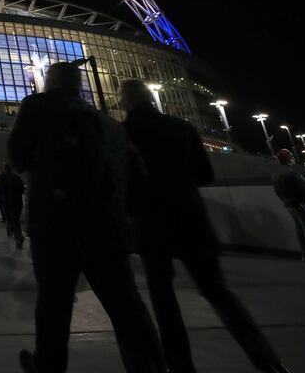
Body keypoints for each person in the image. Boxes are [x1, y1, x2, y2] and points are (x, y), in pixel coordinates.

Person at [120, 79, 290, 373]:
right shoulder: (181, 127)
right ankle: (267, 361)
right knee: (218, 291)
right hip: (190, 218)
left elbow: (121, 181)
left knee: (163, 300)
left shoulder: (123, 133)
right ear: (150, 97)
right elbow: (203, 173)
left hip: (150, 223)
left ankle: (181, 365)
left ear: (125, 101)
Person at [8, 62, 164, 373]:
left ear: (48, 82)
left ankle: (48, 366)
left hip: (55, 225)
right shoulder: (106, 121)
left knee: (54, 303)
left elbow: (17, 156)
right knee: (125, 305)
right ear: (80, 86)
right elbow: (136, 178)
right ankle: (150, 365)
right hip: (107, 227)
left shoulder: (37, 105)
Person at [274, 149, 305, 262]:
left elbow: (277, 191)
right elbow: (304, 190)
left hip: (289, 205)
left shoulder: (276, 175)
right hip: (300, 203)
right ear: (289, 159)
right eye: (292, 157)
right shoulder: (293, 172)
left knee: (298, 228)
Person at [0, 163, 26, 249]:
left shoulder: (2, 178)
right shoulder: (16, 177)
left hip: (8, 204)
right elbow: (22, 190)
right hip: (18, 204)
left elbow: (0, 190)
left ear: (5, 169)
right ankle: (19, 237)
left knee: (12, 222)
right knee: (16, 221)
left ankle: (19, 237)